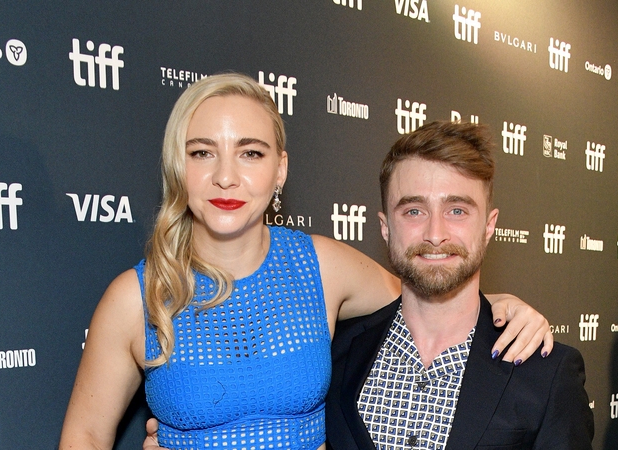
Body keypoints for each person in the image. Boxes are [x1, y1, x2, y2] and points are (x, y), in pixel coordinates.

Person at [59, 73, 553, 450]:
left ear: (281, 169)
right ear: (177, 166)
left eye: (250, 153)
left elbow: (429, 291)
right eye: (202, 153)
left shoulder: (321, 266)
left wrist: (502, 307)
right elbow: (82, 437)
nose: (226, 177)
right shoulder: (135, 298)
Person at [325, 121, 594, 449]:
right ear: (385, 228)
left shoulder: (548, 374)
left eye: (456, 210)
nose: (436, 234)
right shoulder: (334, 352)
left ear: (489, 226)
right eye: (413, 211)